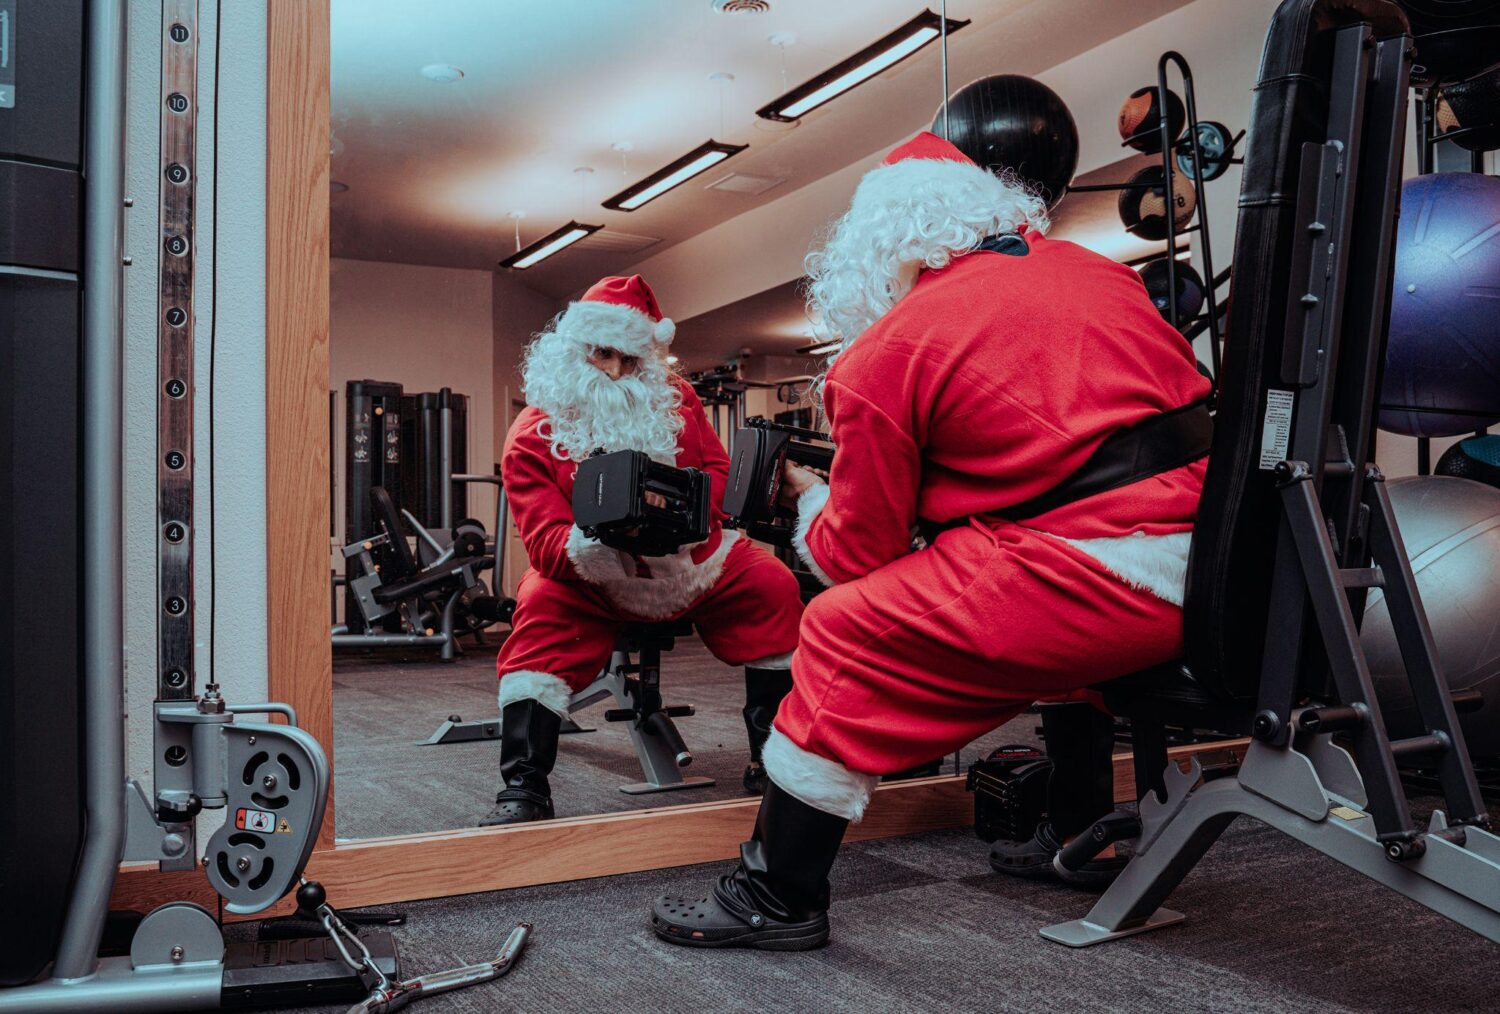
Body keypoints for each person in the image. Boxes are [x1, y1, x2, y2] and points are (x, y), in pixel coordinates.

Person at [649, 132, 1212, 950]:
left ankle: (776, 897)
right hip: (1222, 564)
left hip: (1104, 576)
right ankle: (1086, 834)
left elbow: (857, 557)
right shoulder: (1105, 273)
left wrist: (813, 501)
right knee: (1000, 601)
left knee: (845, 630)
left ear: (881, 250)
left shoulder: (888, 349)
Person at [483, 275, 804, 826]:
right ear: (575, 352)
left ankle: (773, 758)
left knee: (772, 582)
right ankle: (524, 784)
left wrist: (682, 517)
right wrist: (607, 541)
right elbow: (545, 545)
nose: (613, 370)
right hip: (591, 577)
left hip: (689, 561)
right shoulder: (532, 434)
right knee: (537, 606)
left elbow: (716, 471)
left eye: (629, 359)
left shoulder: (675, 400)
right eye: (602, 354)